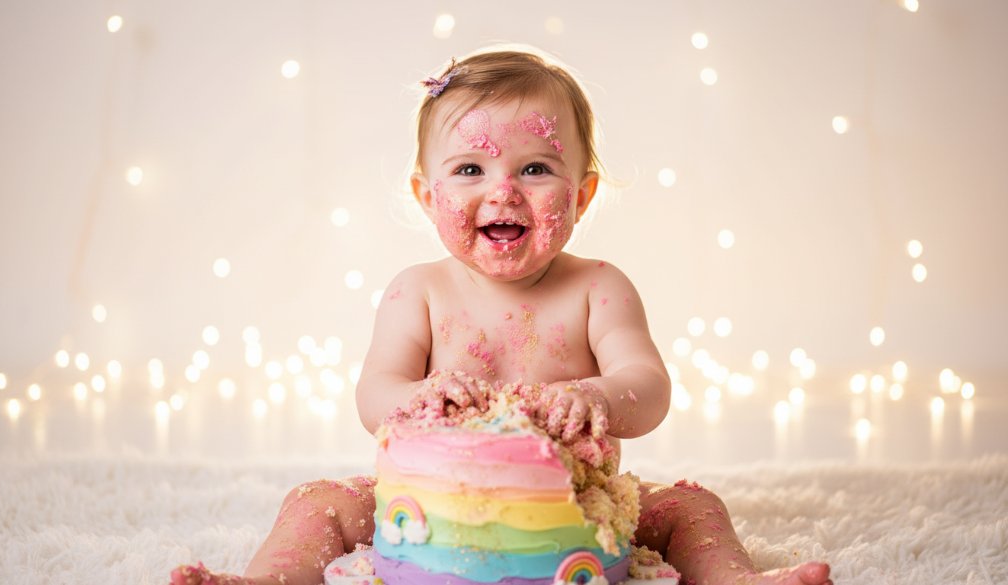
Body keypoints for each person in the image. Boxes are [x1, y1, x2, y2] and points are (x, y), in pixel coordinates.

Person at [171, 46, 832, 585]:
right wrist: (421, 397)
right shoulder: (418, 292)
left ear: (583, 195)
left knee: (690, 506)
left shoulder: (599, 289)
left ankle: (734, 580)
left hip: (575, 509)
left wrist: (596, 395)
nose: (503, 191)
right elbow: (374, 395)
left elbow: (650, 388)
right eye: (469, 169)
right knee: (318, 500)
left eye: (536, 167)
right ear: (428, 197)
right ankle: (265, 581)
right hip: (428, 512)